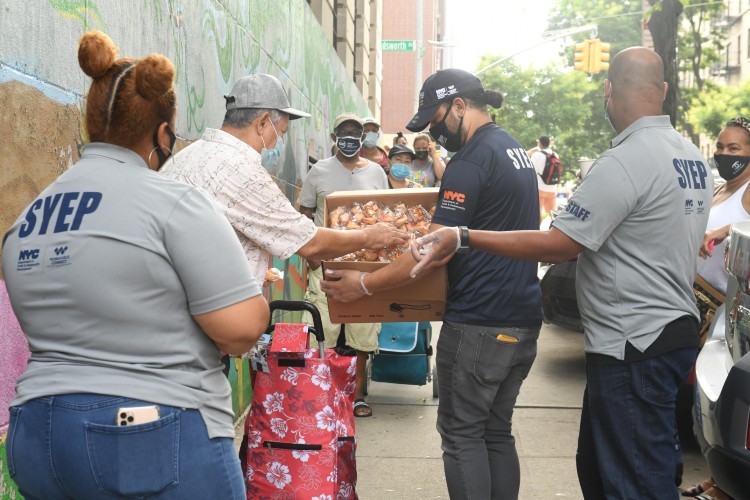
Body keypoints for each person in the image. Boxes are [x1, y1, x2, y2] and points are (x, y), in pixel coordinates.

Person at [407, 47, 713, 499]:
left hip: (632, 343)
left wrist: (465, 236)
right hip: (669, 332)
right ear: (664, 90)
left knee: (631, 479)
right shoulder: (690, 157)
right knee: (613, 464)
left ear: (608, 90)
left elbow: (562, 244)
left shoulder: (626, 161)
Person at [1, 31, 270, 500]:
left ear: (91, 124)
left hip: (37, 437)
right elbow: (240, 328)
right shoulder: (175, 203)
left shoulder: (30, 216)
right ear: (162, 134)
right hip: (148, 436)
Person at [321, 69, 542, 499]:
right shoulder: (513, 150)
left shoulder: (471, 161)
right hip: (522, 317)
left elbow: (431, 251)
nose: (436, 133)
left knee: (461, 436)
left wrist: (364, 286)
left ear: (459, 106)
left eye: (437, 119)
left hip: (480, 323)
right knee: (495, 433)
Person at [160, 74, 407, 288]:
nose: (279, 142)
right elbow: (309, 243)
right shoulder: (243, 172)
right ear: (263, 122)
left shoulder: (186, 156)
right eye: (282, 132)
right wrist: (368, 237)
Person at [298, 113, 389, 418]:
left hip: (365, 266)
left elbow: (385, 215)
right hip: (326, 264)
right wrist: (310, 256)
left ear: (363, 138)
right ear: (334, 137)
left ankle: (357, 396)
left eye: (356, 132)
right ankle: (322, 394)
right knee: (323, 330)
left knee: (362, 334)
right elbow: (304, 212)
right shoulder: (319, 171)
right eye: (343, 132)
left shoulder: (377, 172)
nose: (350, 137)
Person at [680, 116, 750, 500]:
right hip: (699, 303)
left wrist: (725, 230)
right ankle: (717, 478)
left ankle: (726, 484)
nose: (724, 154)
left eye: (734, 148)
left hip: (728, 310)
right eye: (721, 147)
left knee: (725, 399)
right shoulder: (721, 188)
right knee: (707, 399)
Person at [531, 135, 559, 220]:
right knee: (553, 215)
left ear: (539, 143)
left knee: (536, 215)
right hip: (552, 189)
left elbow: (532, 171)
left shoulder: (537, 155)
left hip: (540, 189)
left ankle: (536, 232)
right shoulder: (555, 155)